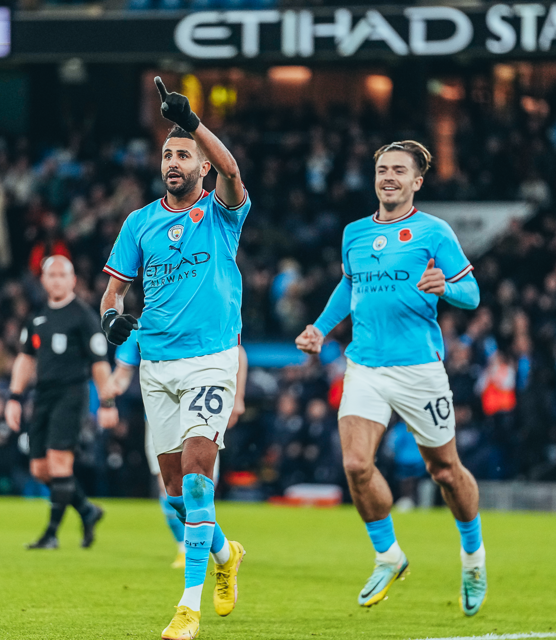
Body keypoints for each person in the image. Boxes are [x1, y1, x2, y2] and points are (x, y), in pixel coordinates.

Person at [295, 140, 487, 615]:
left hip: (419, 368)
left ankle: (474, 555)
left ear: (416, 181)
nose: (389, 177)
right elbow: (349, 284)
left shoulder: (434, 231)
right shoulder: (354, 233)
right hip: (364, 364)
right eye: (382, 169)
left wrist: (449, 287)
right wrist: (320, 328)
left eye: (399, 170)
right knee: (357, 465)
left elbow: (473, 292)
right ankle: (389, 555)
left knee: (444, 471)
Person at [98, 78, 248, 639]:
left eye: (183, 154)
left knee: (197, 476)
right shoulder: (139, 223)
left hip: (211, 360)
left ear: (201, 166)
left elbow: (234, 173)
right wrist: (110, 319)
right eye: (167, 154)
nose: (174, 161)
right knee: (176, 495)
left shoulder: (221, 214)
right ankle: (226, 553)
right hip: (156, 367)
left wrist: (194, 124)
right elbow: (113, 293)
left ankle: (187, 609)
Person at [101, 329, 248, 568]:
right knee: (169, 488)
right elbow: (122, 373)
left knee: (200, 486)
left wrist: (238, 397)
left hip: (201, 410)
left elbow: (237, 352)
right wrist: (108, 398)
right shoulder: (142, 329)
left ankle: (206, 551)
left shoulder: (200, 316)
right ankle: (191, 547)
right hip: (159, 418)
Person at [6, 255, 114, 549]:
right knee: (40, 469)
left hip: (71, 394)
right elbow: (25, 359)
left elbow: (99, 363)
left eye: (61, 275)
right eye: (50, 275)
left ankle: (51, 534)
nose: (56, 280)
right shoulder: (38, 317)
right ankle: (87, 510)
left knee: (59, 462)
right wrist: (14, 397)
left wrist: (107, 402)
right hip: (43, 396)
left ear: (72, 280)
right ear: (43, 280)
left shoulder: (83, 316)